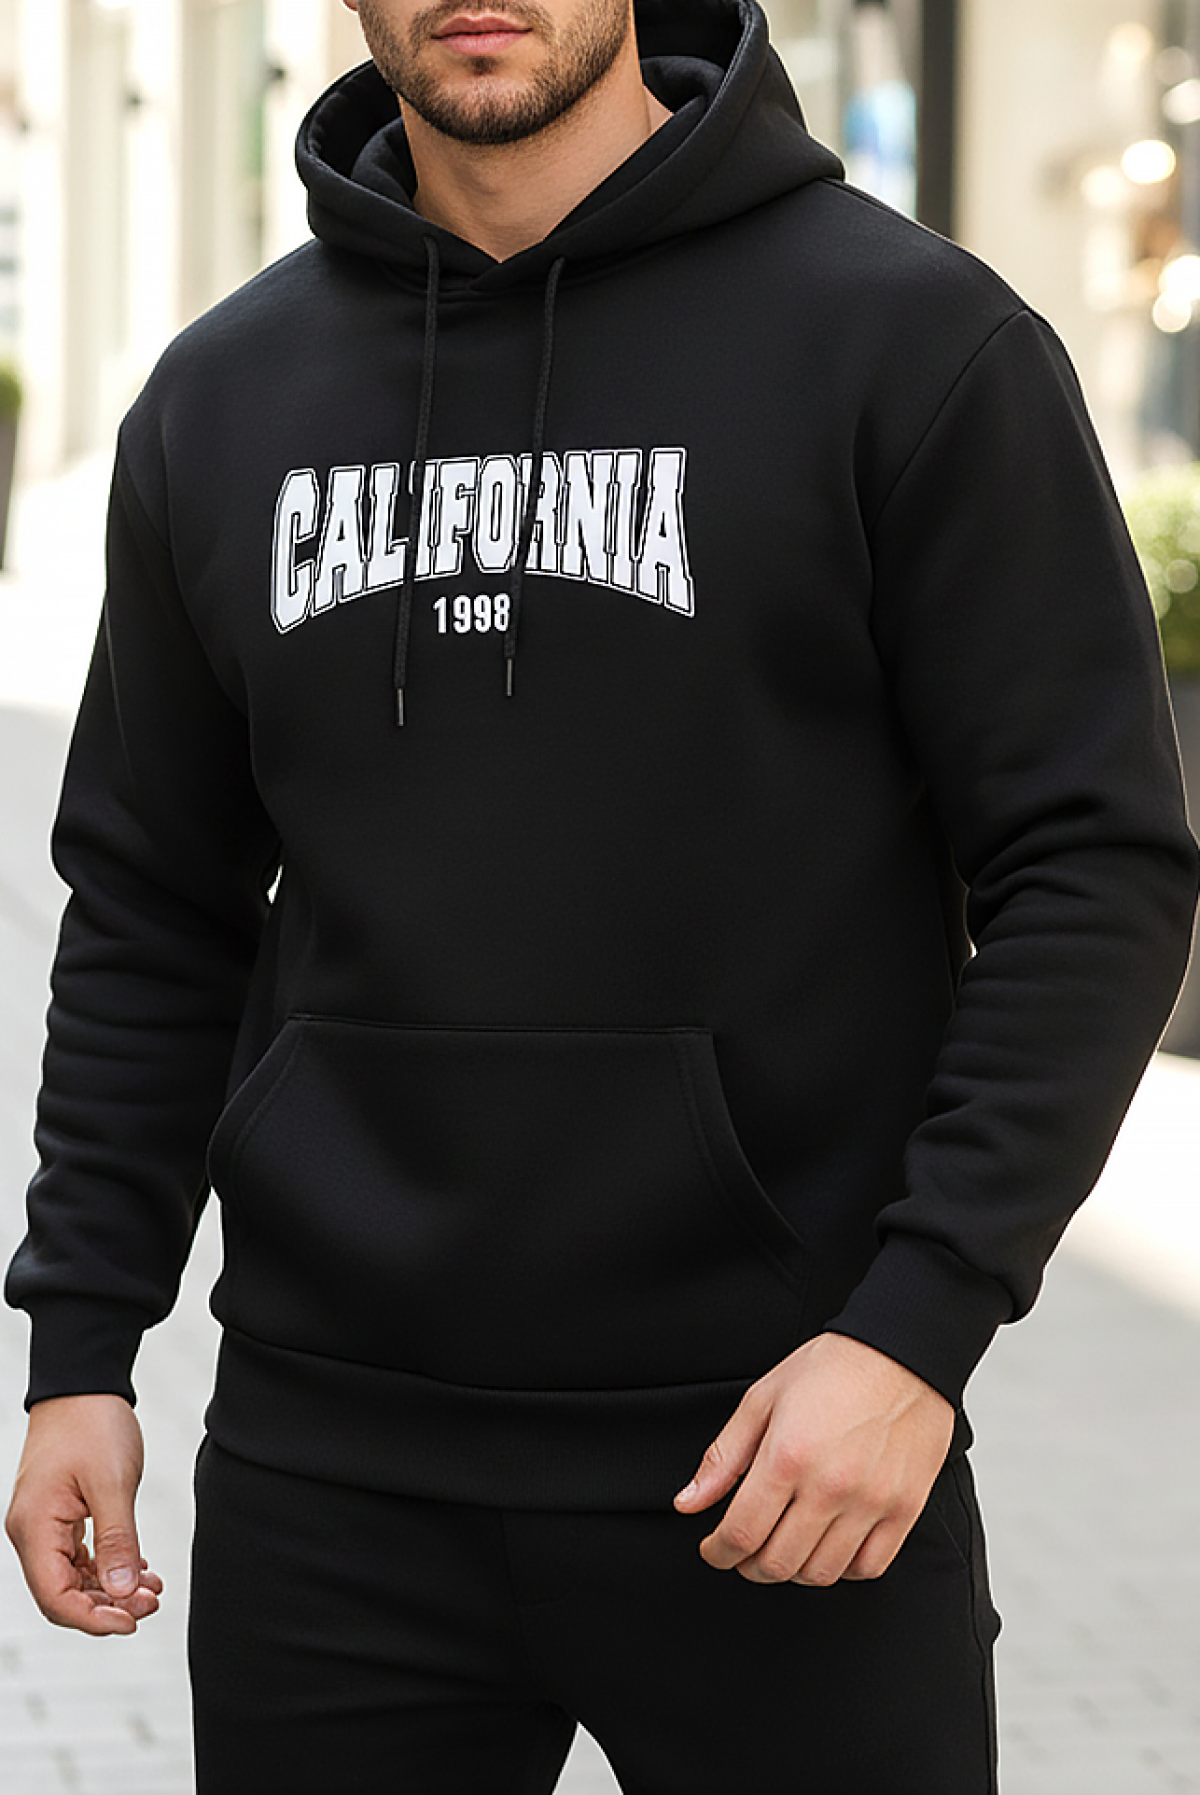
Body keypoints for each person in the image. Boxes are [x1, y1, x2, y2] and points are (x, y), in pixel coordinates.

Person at [4, 1, 1198, 1790]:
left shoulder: (913, 343)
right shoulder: (223, 398)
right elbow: (150, 905)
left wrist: (916, 1331)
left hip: (787, 1452)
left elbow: (1093, 862)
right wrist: (82, 1345)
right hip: (333, 1479)